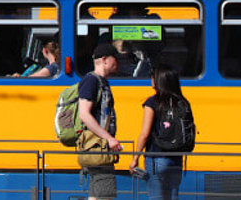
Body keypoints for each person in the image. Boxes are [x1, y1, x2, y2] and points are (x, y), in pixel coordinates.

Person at [130, 65, 191, 200]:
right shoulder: (182, 102)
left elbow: (145, 133)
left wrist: (135, 158)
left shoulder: (153, 102)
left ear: (159, 80)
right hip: (176, 159)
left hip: (156, 158)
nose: (151, 79)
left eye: (153, 76)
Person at [78, 43, 122, 200]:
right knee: (105, 193)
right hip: (97, 146)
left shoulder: (102, 82)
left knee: (98, 194)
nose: (118, 62)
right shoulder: (91, 81)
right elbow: (84, 114)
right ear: (104, 60)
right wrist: (109, 138)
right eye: (115, 59)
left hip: (101, 146)